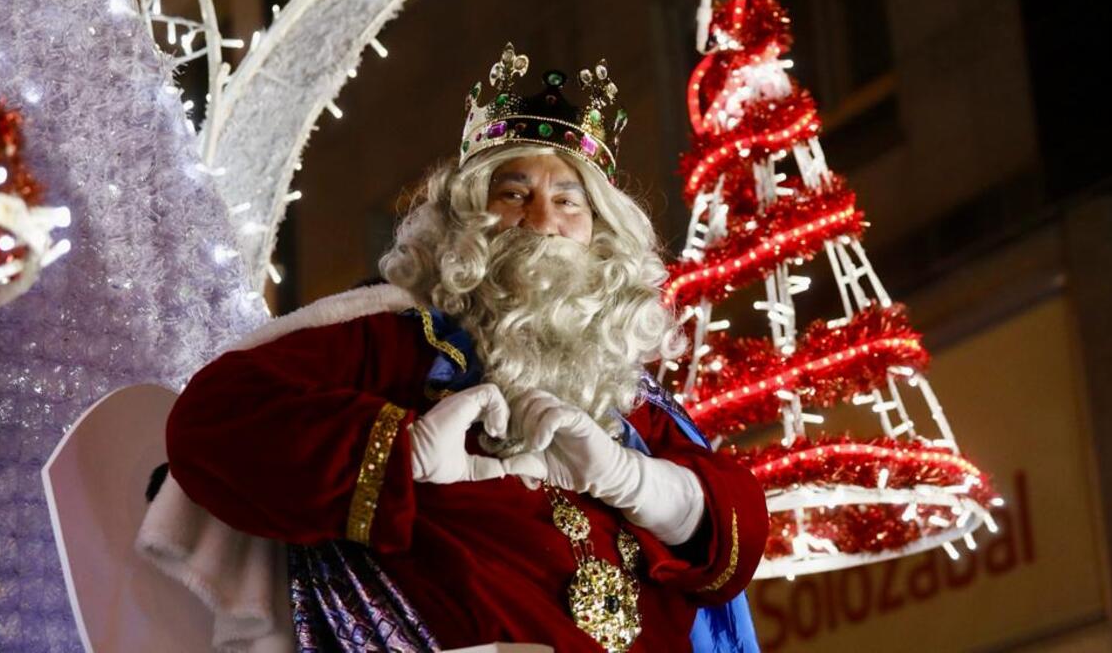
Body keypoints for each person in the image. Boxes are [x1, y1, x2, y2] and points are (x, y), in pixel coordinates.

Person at [163, 43, 768, 652]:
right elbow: (213, 420)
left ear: (600, 234)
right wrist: (403, 452)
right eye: (514, 195)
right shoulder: (392, 338)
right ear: (466, 218)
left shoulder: (614, 382)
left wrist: (630, 480)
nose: (541, 221)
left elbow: (734, 531)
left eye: (568, 201)